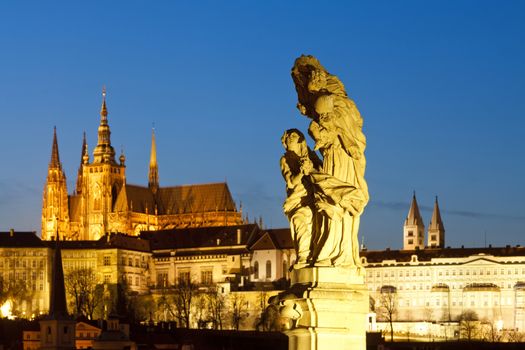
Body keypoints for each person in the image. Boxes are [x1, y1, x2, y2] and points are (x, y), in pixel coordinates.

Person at [280, 129, 322, 269]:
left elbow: (322, 172)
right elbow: (291, 181)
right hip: (297, 200)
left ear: (301, 140)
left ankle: (313, 256)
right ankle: (304, 256)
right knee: (300, 220)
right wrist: (302, 172)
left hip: (313, 197)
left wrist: (311, 169)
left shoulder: (311, 155)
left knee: (316, 229)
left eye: (294, 136)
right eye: (288, 137)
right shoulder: (285, 159)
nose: (290, 139)